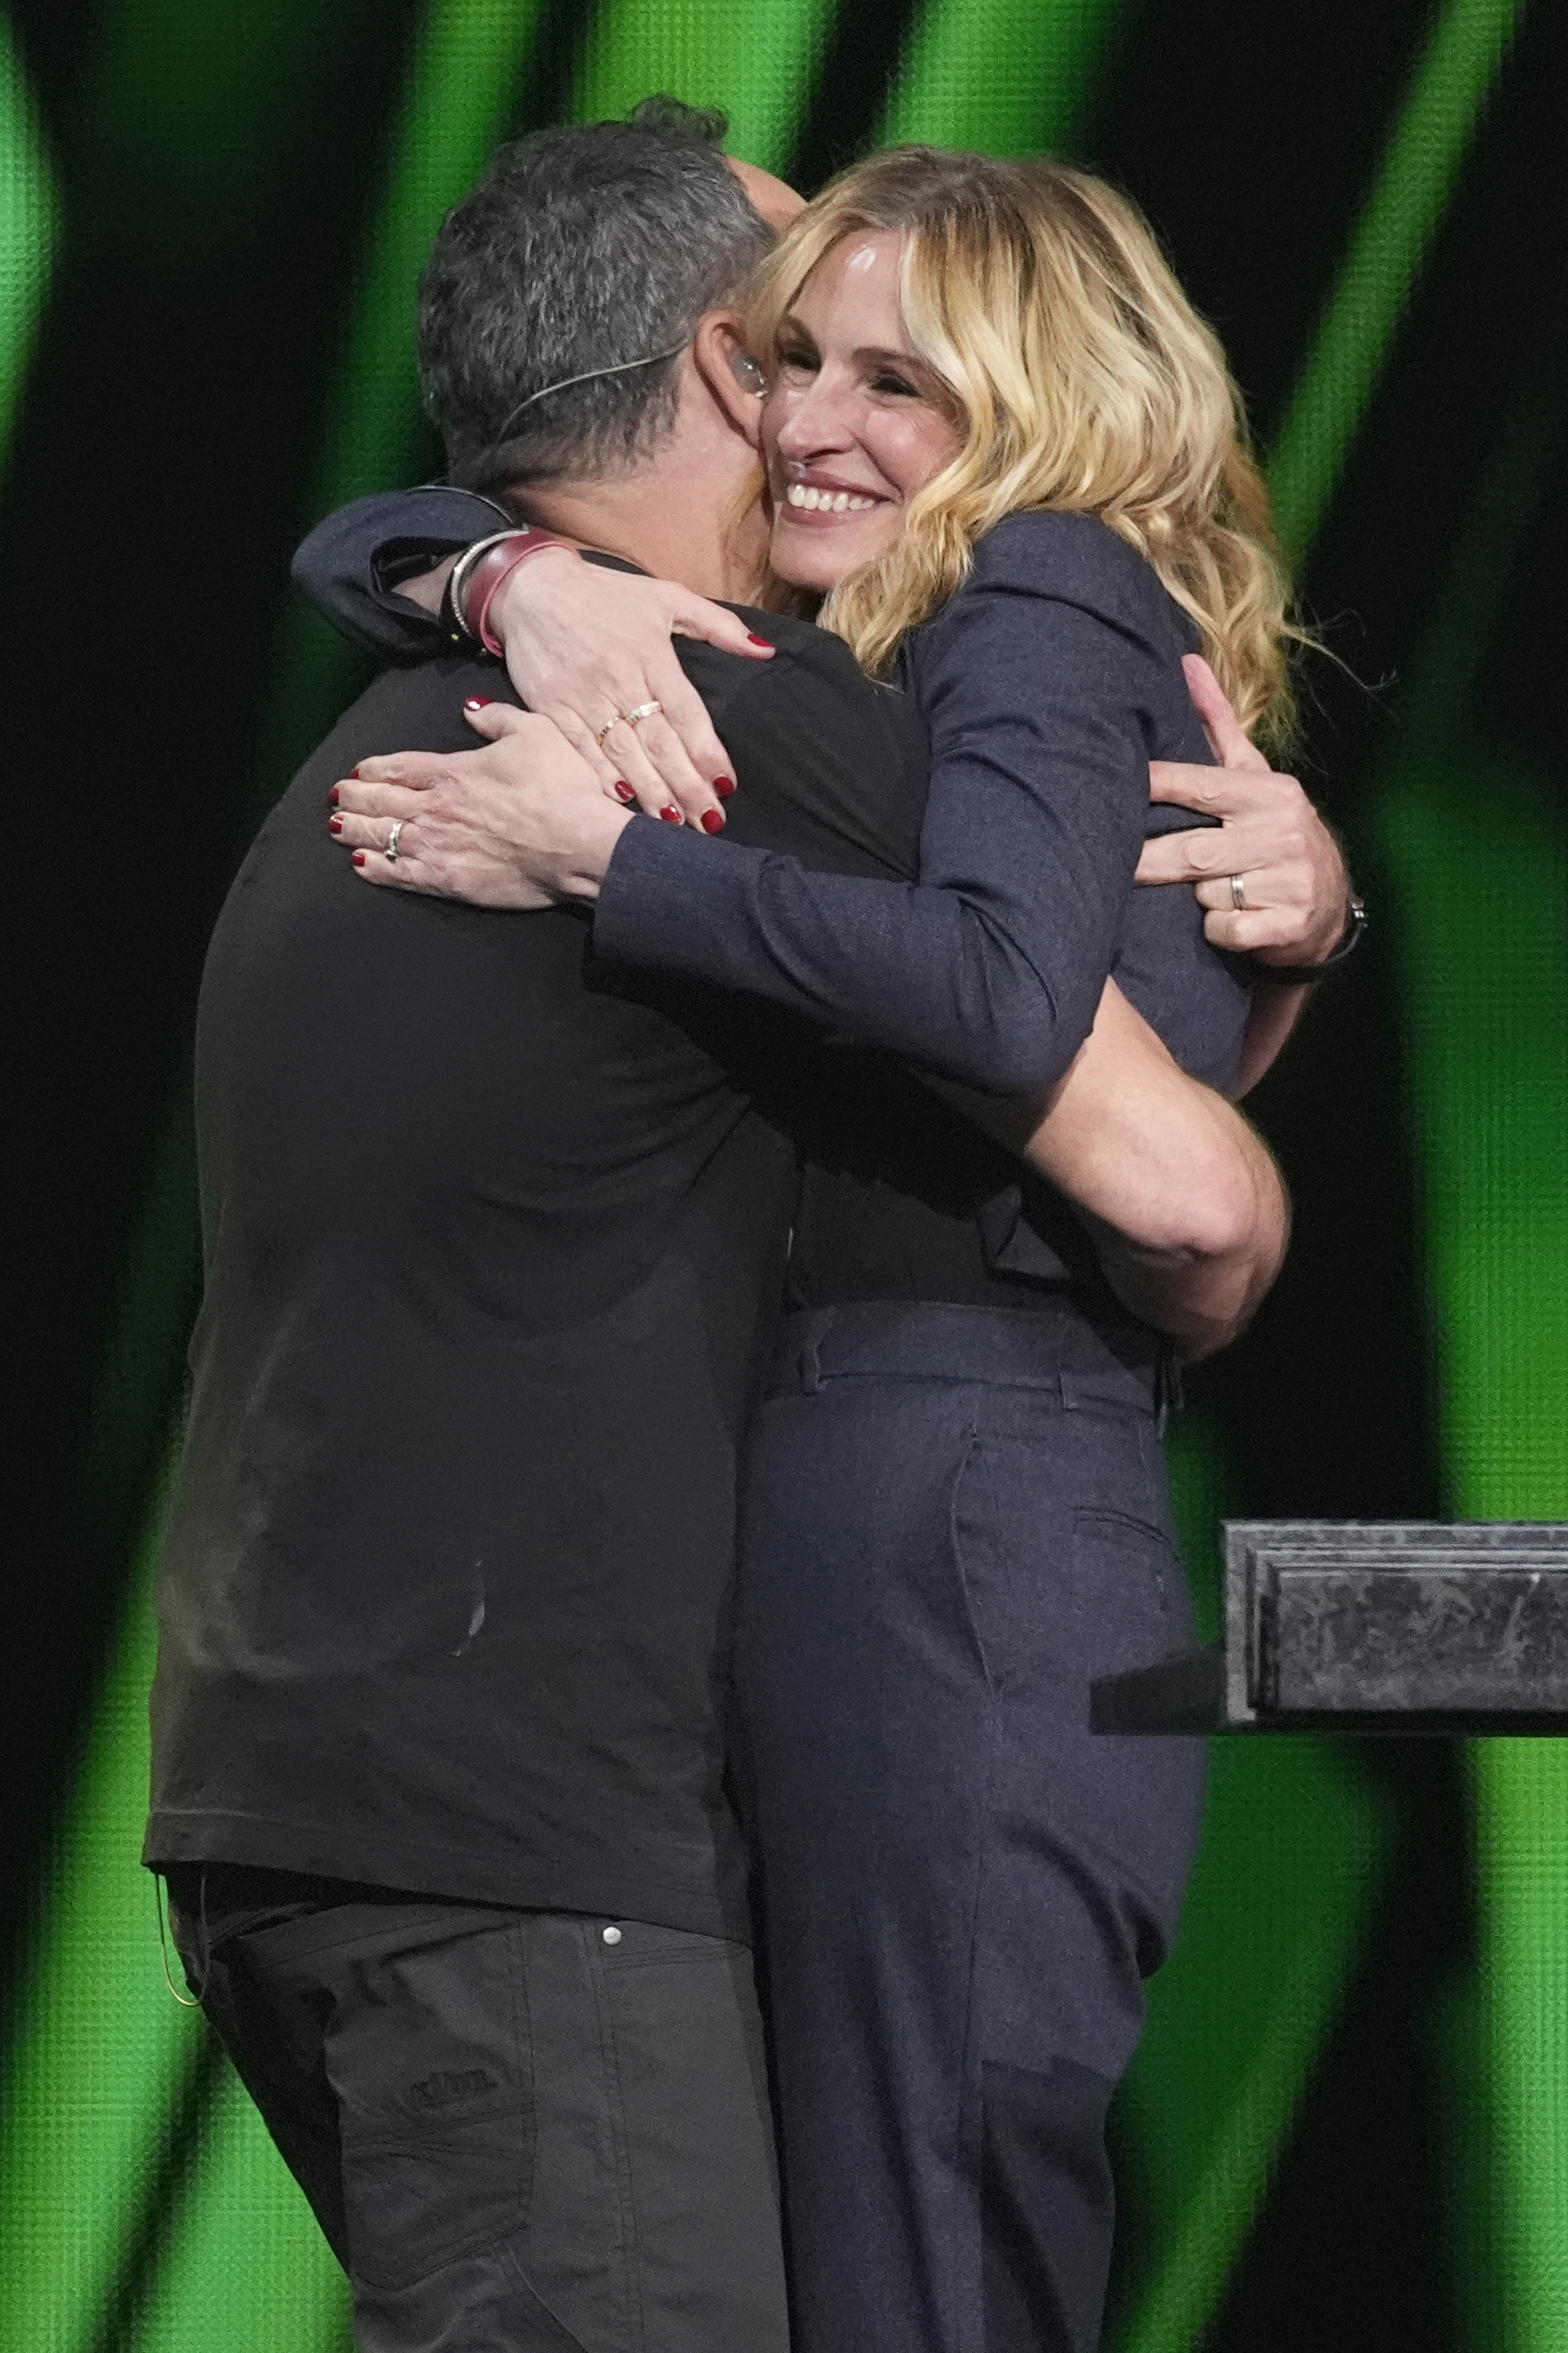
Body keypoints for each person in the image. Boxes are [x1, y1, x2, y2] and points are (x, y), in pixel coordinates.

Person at [149, 108, 1326, 2353]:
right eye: (815, 350)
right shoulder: (735, 752)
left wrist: (482, 566)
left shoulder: (399, 724)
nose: (836, 417)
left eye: (901, 370)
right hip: (516, 1848)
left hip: (299, 1807)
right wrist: (1295, 966)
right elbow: (1189, 1192)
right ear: (725, 370)